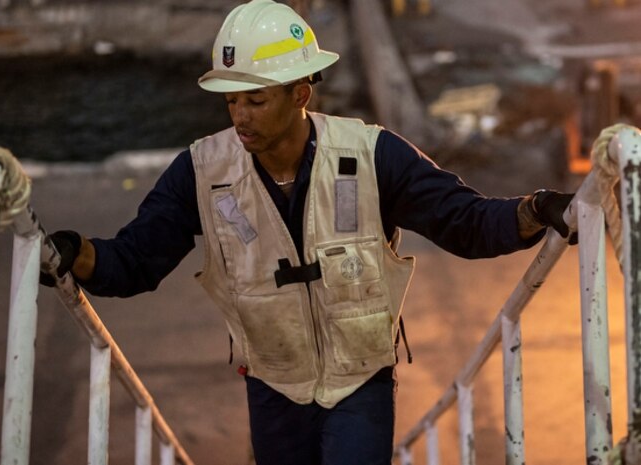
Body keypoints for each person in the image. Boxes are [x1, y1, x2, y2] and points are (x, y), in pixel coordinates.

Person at [41, 1, 576, 464]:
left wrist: (535, 210)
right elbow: (135, 260)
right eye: (231, 101)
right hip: (272, 387)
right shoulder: (203, 171)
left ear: (301, 94)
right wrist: (71, 254)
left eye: (255, 100)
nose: (240, 117)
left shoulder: (370, 154)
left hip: (360, 381)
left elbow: (465, 222)